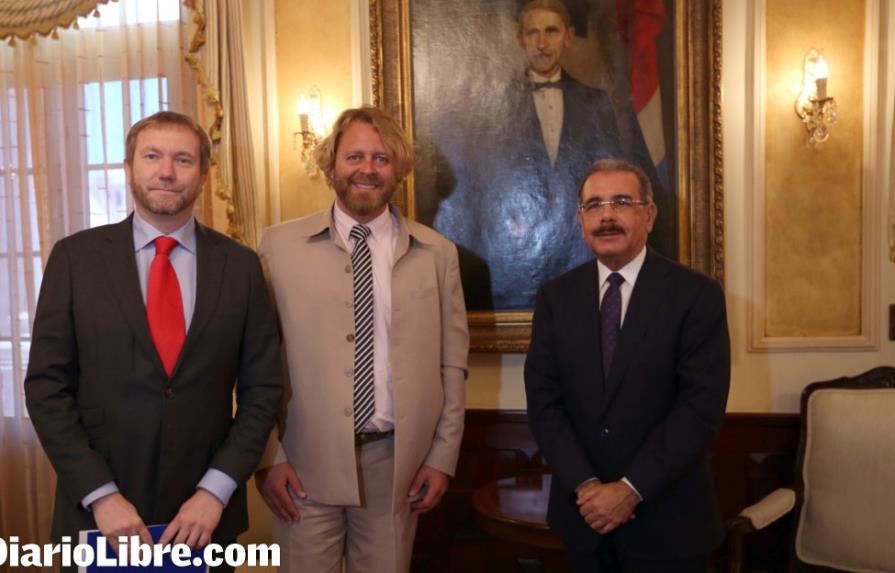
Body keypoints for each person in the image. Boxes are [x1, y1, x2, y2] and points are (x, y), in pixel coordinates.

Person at [24, 111, 283, 566]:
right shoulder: (74, 259)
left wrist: (215, 490)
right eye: (152, 156)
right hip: (98, 519)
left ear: (204, 175)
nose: (166, 171)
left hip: (204, 520)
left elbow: (263, 393)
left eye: (183, 159)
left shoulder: (241, 267)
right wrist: (101, 496)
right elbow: (46, 390)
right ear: (129, 169)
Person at [255, 106, 469, 572]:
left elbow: (452, 364)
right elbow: (253, 362)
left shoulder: (437, 254)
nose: (367, 169)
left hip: (397, 470)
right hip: (304, 467)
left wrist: (442, 457)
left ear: (399, 169)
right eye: (354, 157)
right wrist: (268, 457)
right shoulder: (277, 247)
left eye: (381, 158)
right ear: (331, 165)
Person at [524, 158, 730, 572]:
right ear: (580, 220)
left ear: (649, 214)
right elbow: (544, 404)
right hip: (583, 520)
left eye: (621, 202)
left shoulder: (696, 296)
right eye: (594, 206)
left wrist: (630, 489)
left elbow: (699, 409)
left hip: (668, 525)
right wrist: (588, 488)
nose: (607, 216)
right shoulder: (555, 298)